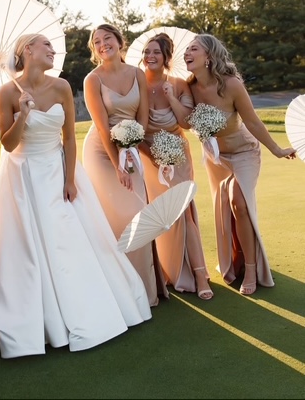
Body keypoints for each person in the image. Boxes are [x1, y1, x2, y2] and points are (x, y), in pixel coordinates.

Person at [0, 33, 152, 359]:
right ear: (28, 50)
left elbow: (70, 138)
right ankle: (45, 323)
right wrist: (23, 115)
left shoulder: (59, 86)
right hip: (25, 175)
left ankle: (95, 309)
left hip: (59, 169)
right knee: (33, 247)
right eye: (45, 45)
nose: (52, 49)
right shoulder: (6, 93)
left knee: (75, 239)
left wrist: (70, 179)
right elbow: (8, 144)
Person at [184, 34, 296, 295]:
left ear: (209, 57)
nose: (187, 53)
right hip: (217, 158)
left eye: (194, 49)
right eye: (186, 50)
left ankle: (252, 268)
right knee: (225, 209)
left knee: (239, 202)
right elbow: (184, 120)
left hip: (245, 151)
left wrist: (277, 150)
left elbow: (254, 122)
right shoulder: (188, 87)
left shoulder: (232, 85)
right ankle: (235, 260)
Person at [82, 24, 168, 307]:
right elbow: (101, 125)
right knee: (118, 216)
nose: (103, 44)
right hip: (102, 152)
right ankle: (121, 293)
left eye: (108, 38)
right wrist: (118, 162)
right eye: (97, 41)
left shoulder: (137, 73)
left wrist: (131, 147)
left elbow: (142, 117)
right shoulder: (92, 80)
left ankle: (145, 290)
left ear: (120, 42)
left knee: (139, 213)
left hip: (130, 148)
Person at [139, 33, 212, 300]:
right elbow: (137, 128)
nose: (150, 57)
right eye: (147, 52)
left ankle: (200, 274)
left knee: (183, 212)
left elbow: (186, 123)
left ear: (167, 58)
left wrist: (171, 98)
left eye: (156, 52)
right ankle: (169, 270)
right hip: (149, 156)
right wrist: (154, 156)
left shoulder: (180, 85)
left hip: (178, 154)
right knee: (162, 215)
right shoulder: (138, 85)